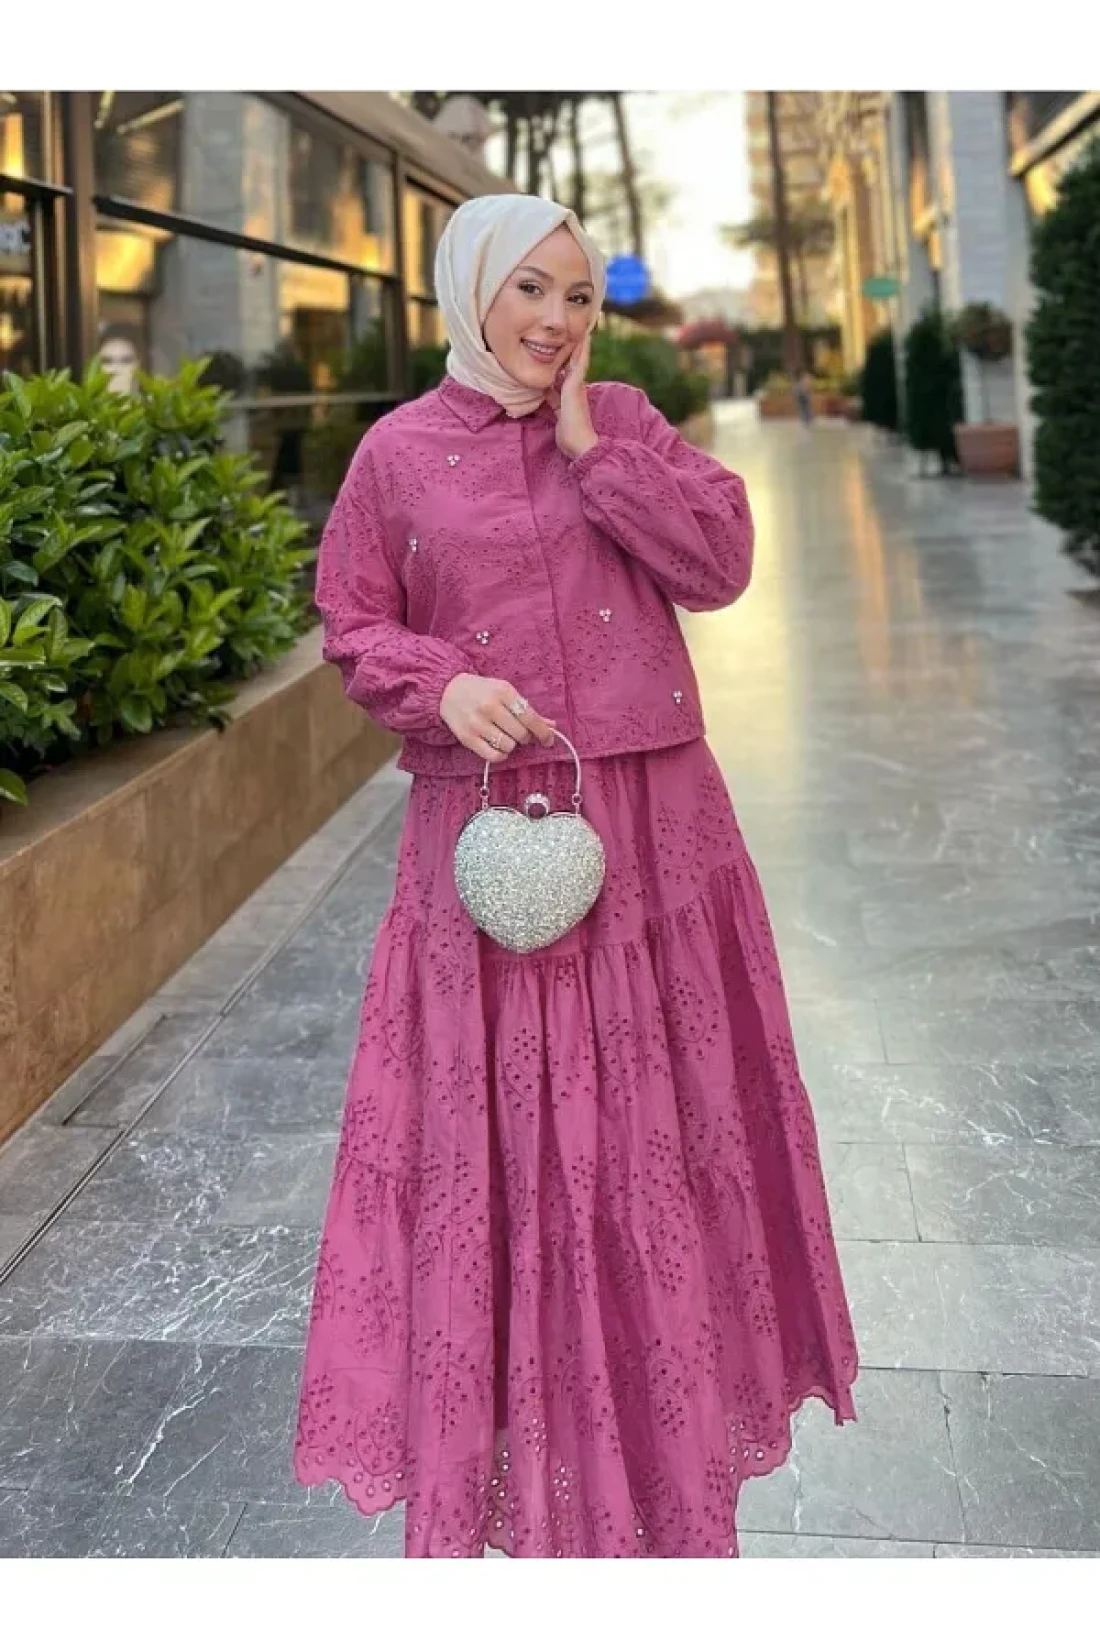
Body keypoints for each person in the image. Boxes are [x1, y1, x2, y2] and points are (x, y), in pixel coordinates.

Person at [292, 194, 858, 1559]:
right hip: (489, 839)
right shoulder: (396, 454)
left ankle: (660, 1427)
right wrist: (443, 684)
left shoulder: (625, 424)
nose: (555, 321)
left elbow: (721, 564)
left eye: (579, 295)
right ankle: (535, 1432)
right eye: (529, 290)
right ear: (470, 292)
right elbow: (351, 621)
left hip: (657, 830)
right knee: (515, 1138)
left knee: (652, 1130)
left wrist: (597, 453)